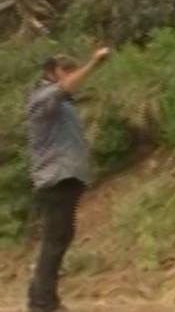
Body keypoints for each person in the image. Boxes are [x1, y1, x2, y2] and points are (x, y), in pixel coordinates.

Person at [26, 47, 111, 312]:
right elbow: (64, 88)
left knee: (58, 239)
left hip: (66, 178)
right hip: (56, 178)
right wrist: (94, 63)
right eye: (66, 70)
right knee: (55, 240)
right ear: (51, 73)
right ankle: (42, 303)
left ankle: (40, 297)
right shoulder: (43, 97)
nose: (72, 74)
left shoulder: (63, 104)